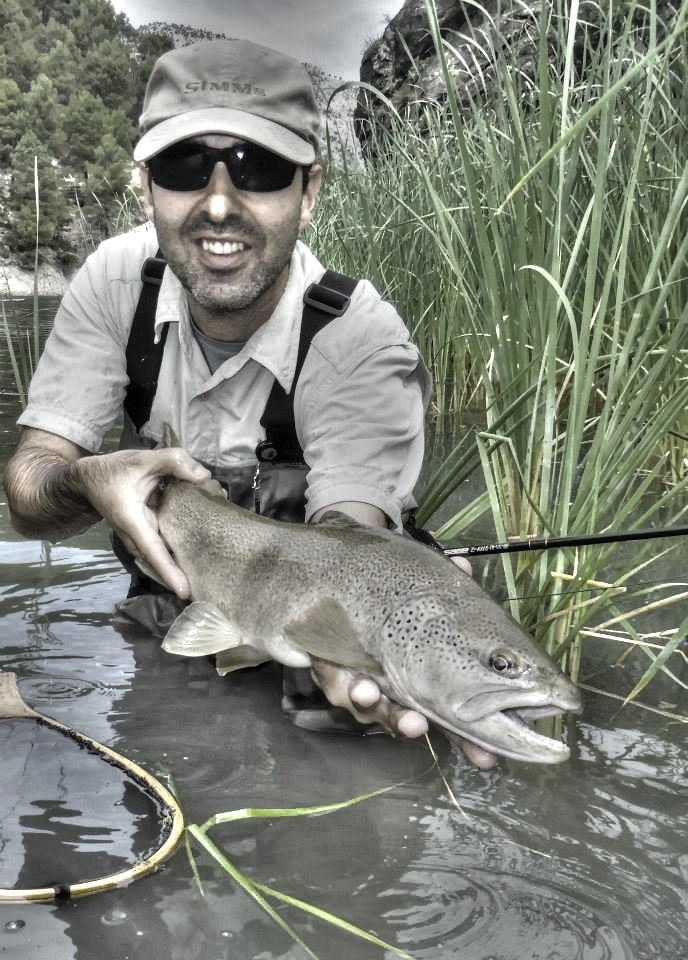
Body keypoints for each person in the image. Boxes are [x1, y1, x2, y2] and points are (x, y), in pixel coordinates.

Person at [3, 39, 494, 769]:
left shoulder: (360, 337)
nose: (220, 204)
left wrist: (355, 640)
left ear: (311, 191)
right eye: (184, 167)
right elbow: (28, 490)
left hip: (307, 652)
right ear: (145, 188)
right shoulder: (113, 283)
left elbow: (347, 530)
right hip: (174, 616)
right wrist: (87, 480)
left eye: (259, 170)